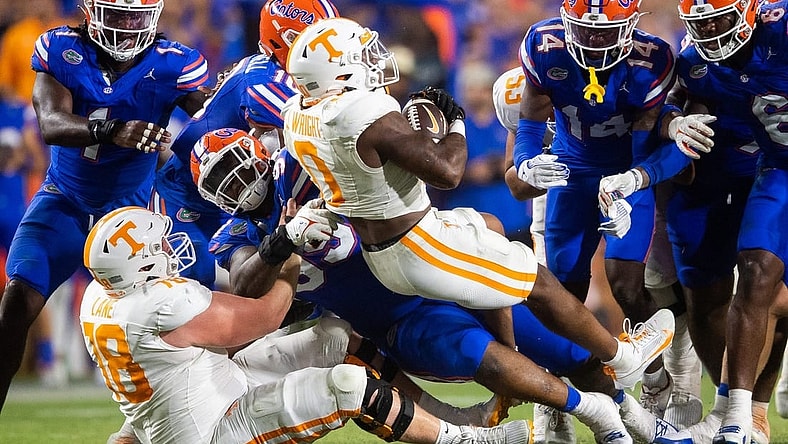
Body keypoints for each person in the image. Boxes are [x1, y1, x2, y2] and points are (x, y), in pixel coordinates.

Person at [192, 127, 682, 444]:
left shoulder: (302, 170)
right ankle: (594, 413)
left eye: (240, 167)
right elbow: (243, 281)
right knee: (486, 358)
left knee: (571, 352)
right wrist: (280, 244)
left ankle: (631, 414)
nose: (239, 183)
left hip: (436, 266)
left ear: (263, 154)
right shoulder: (235, 238)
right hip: (402, 319)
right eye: (224, 182)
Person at [281, 16, 674, 394]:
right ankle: (624, 357)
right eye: (361, 58)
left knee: (491, 230)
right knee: (539, 283)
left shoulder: (298, 115)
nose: (374, 61)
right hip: (418, 241)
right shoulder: (360, 113)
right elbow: (448, 172)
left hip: (384, 245)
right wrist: (455, 124)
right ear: (340, 73)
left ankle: (524, 366)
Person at [80, 206, 532, 444]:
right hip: (215, 431)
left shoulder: (99, 298)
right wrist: (290, 253)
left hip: (203, 393)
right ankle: (463, 440)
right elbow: (265, 317)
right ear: (140, 265)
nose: (168, 246)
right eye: (156, 246)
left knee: (332, 336)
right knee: (347, 385)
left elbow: (152, 381)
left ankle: (455, 416)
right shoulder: (160, 304)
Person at [509, 0, 717, 418]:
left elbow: (649, 141)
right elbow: (529, 126)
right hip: (570, 171)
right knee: (564, 290)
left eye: (605, 31)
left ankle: (656, 379)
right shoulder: (543, 46)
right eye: (584, 30)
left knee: (624, 283)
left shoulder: (651, 59)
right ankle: (556, 398)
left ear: (631, 25)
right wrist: (528, 161)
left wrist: (630, 184)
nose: (594, 39)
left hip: (625, 172)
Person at [0, 0, 210, 413]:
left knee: (186, 306)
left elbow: (209, 118)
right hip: (65, 200)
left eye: (135, 16)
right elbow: (51, 124)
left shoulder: (174, 63)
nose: (127, 25)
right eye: (117, 15)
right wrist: (113, 129)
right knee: (17, 301)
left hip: (133, 214)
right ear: (90, 12)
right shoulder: (61, 49)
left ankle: (194, 413)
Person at [649, 0, 788, 441]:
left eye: (720, 19)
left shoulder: (781, 30)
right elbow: (661, 103)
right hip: (777, 166)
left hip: (763, 165)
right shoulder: (693, 60)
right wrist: (674, 122)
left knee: (769, 289)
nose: (711, 31)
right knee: (755, 269)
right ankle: (734, 416)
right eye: (701, 22)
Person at [151, 0, 339, 288]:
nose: (329, 51)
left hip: (247, 195)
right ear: (285, 40)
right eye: (317, 40)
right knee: (191, 292)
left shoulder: (277, 72)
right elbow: (321, 131)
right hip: (186, 197)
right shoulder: (263, 81)